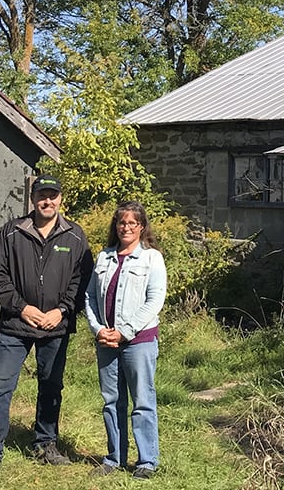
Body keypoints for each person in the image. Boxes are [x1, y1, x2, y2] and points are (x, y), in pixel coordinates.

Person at [0, 175, 93, 474]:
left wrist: (63, 310)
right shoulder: (11, 232)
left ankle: (45, 444)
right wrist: (22, 307)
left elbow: (82, 281)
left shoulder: (75, 236)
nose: (47, 200)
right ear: (33, 197)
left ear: (61, 198)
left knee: (51, 386)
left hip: (55, 325)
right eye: (42, 195)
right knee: (0, 386)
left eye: (53, 195)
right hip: (16, 325)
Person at [85, 201, 168, 479]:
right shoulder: (104, 257)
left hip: (139, 342)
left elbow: (154, 300)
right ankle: (114, 458)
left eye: (133, 222)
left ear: (142, 226)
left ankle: (146, 461)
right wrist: (98, 329)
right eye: (122, 222)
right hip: (106, 341)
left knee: (142, 400)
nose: (127, 227)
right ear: (116, 225)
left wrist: (126, 331)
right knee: (112, 401)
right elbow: (90, 297)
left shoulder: (151, 258)